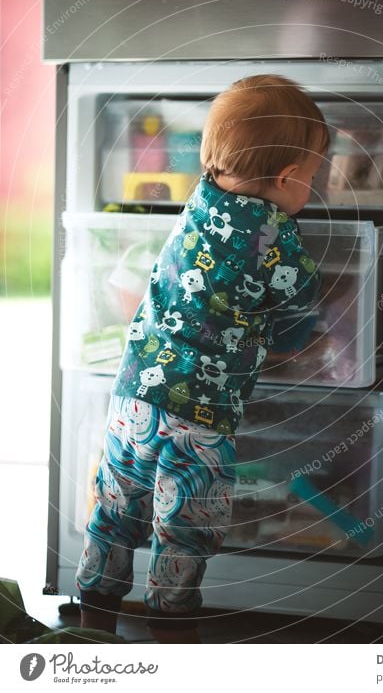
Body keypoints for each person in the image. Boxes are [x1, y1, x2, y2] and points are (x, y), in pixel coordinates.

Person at [76, 74, 330, 643]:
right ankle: (170, 626)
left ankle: (93, 620)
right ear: (287, 178)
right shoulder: (282, 241)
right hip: (202, 417)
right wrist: (297, 343)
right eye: (310, 178)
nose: (310, 191)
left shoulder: (200, 195)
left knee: (118, 505)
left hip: (136, 394)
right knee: (186, 523)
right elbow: (295, 321)